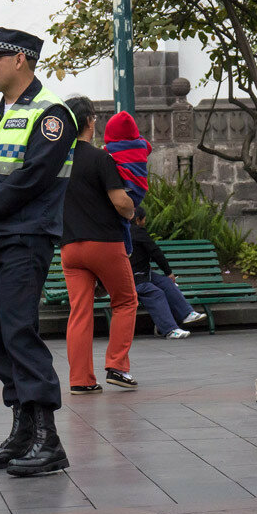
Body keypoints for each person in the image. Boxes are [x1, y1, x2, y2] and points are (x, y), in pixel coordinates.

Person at [0, 27, 78, 477]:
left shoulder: (52, 115)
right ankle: (22, 432)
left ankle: (49, 439)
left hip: (25, 238)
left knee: (20, 334)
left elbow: (32, 179)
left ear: (21, 60)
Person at [60, 95, 138, 395]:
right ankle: (117, 366)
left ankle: (80, 379)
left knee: (80, 311)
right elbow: (120, 201)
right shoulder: (100, 158)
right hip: (104, 243)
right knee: (125, 300)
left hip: (70, 247)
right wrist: (132, 210)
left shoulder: (59, 161)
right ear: (91, 120)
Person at [129, 207, 206, 339]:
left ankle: (186, 314)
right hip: (132, 279)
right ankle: (169, 329)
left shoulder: (126, 231)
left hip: (143, 274)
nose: (145, 222)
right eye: (144, 219)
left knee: (165, 282)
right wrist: (168, 272)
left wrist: (167, 276)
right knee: (155, 293)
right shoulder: (137, 232)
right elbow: (155, 252)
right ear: (138, 220)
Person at [102, 110, 151, 256]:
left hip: (126, 190)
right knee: (126, 218)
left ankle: (127, 250)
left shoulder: (111, 149)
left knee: (122, 220)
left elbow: (103, 155)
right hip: (140, 189)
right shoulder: (142, 144)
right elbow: (149, 148)